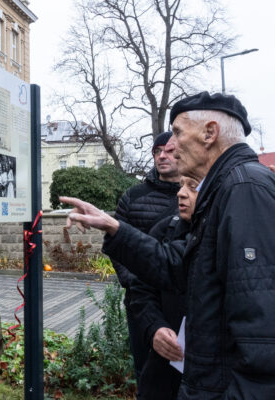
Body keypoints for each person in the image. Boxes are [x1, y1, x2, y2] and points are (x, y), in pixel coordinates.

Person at [61, 91, 275, 400]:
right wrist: (115, 228)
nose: (169, 147)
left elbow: (261, 337)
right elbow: (180, 268)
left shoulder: (243, 189)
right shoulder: (223, 190)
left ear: (209, 133)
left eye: (176, 132)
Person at [107, 131, 179, 397]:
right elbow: (116, 242)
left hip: (180, 301)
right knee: (146, 368)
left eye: (170, 151)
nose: (162, 156)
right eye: (157, 151)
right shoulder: (133, 197)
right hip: (140, 301)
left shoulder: (196, 194)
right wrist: (131, 280)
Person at [130, 175, 198, 400]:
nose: (181, 193)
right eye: (181, 185)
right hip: (164, 371)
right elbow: (141, 289)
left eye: (193, 186)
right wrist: (155, 328)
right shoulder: (164, 230)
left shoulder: (229, 234)